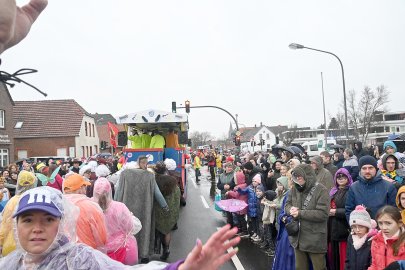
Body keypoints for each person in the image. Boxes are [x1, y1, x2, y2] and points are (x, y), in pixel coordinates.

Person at [0, 186, 241, 269]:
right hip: (121, 250)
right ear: (16, 224)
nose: (37, 228)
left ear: (62, 223)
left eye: (48, 219)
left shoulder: (80, 261)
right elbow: (110, 233)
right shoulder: (9, 264)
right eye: (28, 220)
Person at [285, 164, 330, 270]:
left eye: (300, 175)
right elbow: (287, 205)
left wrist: (300, 213)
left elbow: (323, 214)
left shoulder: (321, 190)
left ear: (308, 175)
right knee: (300, 268)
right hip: (298, 238)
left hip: (315, 239)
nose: (298, 178)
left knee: (319, 267)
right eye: (295, 176)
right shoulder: (294, 189)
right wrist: (290, 210)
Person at [93, 177, 141, 265]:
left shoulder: (90, 207)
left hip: (98, 251)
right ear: (110, 191)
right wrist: (131, 216)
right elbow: (130, 227)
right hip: (121, 249)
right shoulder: (120, 207)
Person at [62, 173, 108, 250]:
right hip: (87, 254)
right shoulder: (91, 206)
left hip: (63, 255)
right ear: (80, 188)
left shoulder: (58, 205)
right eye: (84, 187)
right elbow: (102, 237)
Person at [345, 155, 397, 220]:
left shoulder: (388, 187)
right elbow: (349, 210)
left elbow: (394, 211)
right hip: (360, 228)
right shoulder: (354, 187)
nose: (367, 171)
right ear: (360, 170)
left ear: (376, 168)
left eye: (370, 168)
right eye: (364, 168)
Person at [0, 171, 37, 256]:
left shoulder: (12, 201)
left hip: (11, 247)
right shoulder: (35, 200)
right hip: (31, 246)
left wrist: (1, 243)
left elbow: (5, 224)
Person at [153, 162, 181, 261]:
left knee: (156, 230)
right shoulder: (172, 180)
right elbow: (177, 196)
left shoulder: (153, 180)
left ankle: (154, 249)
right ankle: (166, 249)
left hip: (157, 211)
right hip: (169, 211)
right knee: (167, 231)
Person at [328, 168, 353, 270]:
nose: (341, 179)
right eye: (338, 177)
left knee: (343, 258)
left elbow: (351, 210)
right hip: (332, 228)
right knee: (333, 257)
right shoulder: (333, 191)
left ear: (348, 177)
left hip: (343, 229)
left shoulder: (351, 191)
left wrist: (336, 212)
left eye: (343, 176)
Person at [344, 205, 377, 270]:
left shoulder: (372, 239)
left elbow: (373, 262)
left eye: (361, 227)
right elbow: (347, 260)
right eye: (354, 227)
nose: (357, 230)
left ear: (367, 226)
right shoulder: (351, 238)